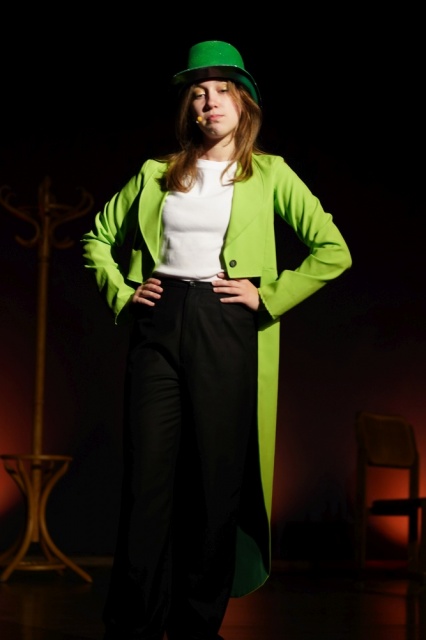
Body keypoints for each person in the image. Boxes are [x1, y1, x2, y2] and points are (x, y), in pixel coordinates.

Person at [81, 40, 352, 640]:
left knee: (214, 480)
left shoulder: (271, 173)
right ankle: (133, 624)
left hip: (225, 323)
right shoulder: (156, 173)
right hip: (158, 320)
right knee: (148, 482)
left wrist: (268, 295)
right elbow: (97, 239)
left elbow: (334, 251)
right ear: (189, 107)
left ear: (244, 102)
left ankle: (196, 625)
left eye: (222, 91)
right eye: (198, 93)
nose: (209, 102)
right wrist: (123, 293)